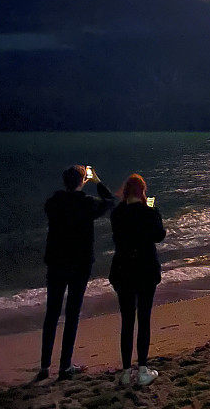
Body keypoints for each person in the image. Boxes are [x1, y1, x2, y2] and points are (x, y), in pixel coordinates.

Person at [37, 164, 114, 381]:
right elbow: (111, 202)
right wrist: (97, 181)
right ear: (82, 181)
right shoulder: (87, 204)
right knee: (72, 314)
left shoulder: (54, 203)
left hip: (56, 263)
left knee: (51, 314)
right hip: (79, 265)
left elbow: (51, 208)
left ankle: (44, 367)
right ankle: (64, 366)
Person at [109, 173, 166, 387]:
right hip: (145, 270)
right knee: (143, 319)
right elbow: (159, 236)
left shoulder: (117, 214)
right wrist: (154, 211)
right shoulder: (148, 213)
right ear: (143, 192)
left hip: (123, 270)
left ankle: (125, 371)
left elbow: (118, 237)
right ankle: (142, 368)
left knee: (127, 321)